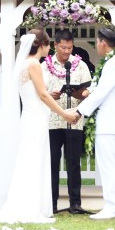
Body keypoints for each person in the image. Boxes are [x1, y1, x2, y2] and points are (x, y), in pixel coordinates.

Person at [0, 27, 77, 223]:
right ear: (42, 45)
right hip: (36, 118)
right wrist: (64, 113)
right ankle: (30, 206)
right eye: (48, 45)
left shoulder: (24, 63)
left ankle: (28, 203)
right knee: (34, 161)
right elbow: (43, 95)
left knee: (29, 160)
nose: (50, 49)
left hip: (30, 117)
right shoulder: (34, 64)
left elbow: (37, 93)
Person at [75, 26, 115, 220]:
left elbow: (102, 91)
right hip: (108, 123)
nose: (96, 45)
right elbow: (99, 88)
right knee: (110, 166)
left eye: (97, 42)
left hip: (109, 122)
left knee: (109, 167)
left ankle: (113, 207)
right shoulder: (113, 61)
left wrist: (79, 111)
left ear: (103, 43)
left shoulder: (114, 63)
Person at [41, 29, 93, 215]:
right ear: (55, 45)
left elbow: (88, 90)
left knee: (73, 163)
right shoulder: (44, 66)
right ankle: (51, 203)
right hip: (52, 121)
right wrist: (51, 95)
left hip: (74, 120)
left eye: (70, 48)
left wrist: (81, 93)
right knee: (52, 163)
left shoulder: (81, 65)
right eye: (63, 47)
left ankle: (75, 204)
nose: (66, 51)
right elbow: (39, 92)